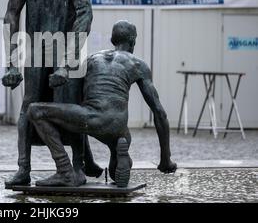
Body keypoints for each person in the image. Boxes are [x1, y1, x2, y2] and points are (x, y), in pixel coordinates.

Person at [2, 0, 102, 187]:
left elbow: (85, 13)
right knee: (29, 107)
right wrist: (11, 61)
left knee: (71, 109)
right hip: (36, 50)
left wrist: (69, 58)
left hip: (67, 50)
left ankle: (78, 168)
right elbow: (12, 13)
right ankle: (24, 169)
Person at [28, 21, 177, 187]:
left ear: (112, 40)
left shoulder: (92, 60)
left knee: (36, 111)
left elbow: (76, 102)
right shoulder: (137, 64)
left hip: (90, 119)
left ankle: (65, 169)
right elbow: (159, 113)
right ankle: (120, 153)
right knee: (117, 150)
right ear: (133, 42)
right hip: (118, 125)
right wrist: (165, 160)